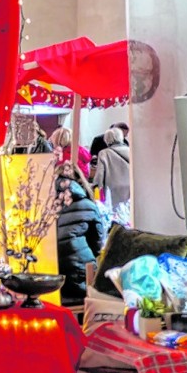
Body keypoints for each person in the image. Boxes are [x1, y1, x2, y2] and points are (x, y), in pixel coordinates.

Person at [54, 164, 105, 306]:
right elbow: (97, 244)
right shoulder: (88, 205)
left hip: (53, 276)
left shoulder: (45, 205)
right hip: (81, 274)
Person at [92, 127, 133, 213]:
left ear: (106, 139)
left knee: (115, 214)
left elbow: (99, 175)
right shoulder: (131, 151)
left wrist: (96, 187)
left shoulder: (104, 153)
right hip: (130, 186)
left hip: (112, 189)